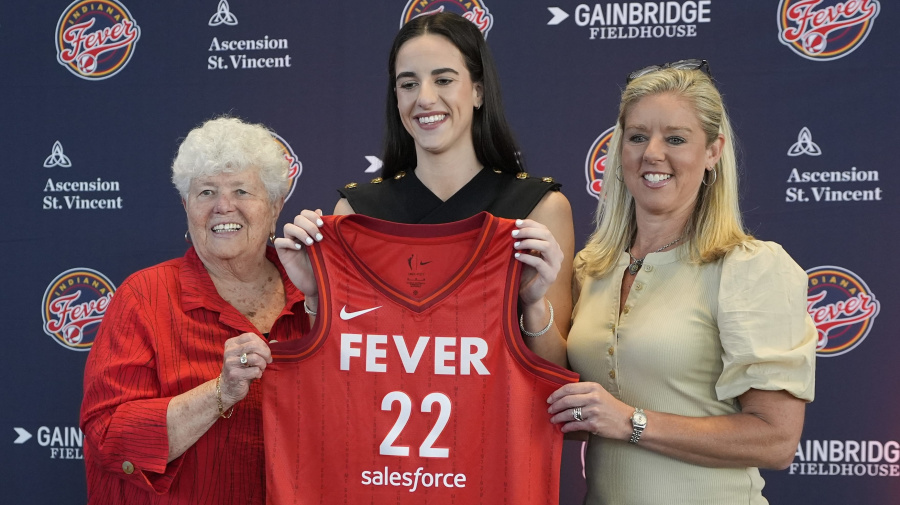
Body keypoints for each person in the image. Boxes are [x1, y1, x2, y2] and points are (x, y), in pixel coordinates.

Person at [546, 61, 816, 504]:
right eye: (637, 137)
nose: (653, 153)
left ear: (712, 151)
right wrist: (537, 303)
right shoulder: (591, 269)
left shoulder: (750, 268)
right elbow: (564, 410)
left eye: (675, 138)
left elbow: (775, 440)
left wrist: (631, 422)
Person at [277, 12, 573, 366]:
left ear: (478, 91)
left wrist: (533, 304)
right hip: (382, 420)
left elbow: (556, 373)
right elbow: (337, 367)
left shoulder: (538, 208)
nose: (425, 98)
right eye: (408, 84)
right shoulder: (356, 212)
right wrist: (315, 296)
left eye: (444, 80)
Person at [80, 116, 309, 504]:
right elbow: (108, 437)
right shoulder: (145, 297)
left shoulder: (315, 295)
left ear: (275, 206)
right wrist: (221, 391)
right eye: (206, 192)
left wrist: (320, 304)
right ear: (186, 205)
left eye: (241, 190)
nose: (223, 206)